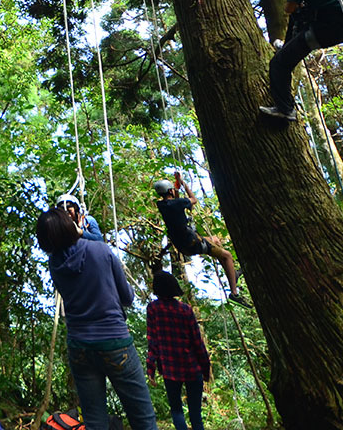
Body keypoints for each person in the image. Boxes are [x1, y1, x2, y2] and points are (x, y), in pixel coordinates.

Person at [35, 207, 158, 430]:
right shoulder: (101, 250)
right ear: (69, 226)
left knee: (94, 422)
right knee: (143, 419)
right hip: (114, 340)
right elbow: (128, 298)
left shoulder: (55, 264)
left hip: (79, 346)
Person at [154, 177, 249, 308]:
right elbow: (193, 200)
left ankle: (232, 273)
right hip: (192, 242)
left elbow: (176, 200)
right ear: (170, 191)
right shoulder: (177, 204)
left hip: (183, 244)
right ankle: (234, 293)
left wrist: (176, 185)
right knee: (227, 255)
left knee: (215, 240)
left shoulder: (163, 205)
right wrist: (185, 185)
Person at [146, 271, 211, 430]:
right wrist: (205, 368)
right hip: (192, 367)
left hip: (170, 370)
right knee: (196, 415)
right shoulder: (185, 310)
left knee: (176, 411)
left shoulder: (153, 309)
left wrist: (151, 368)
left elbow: (152, 341)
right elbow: (197, 342)